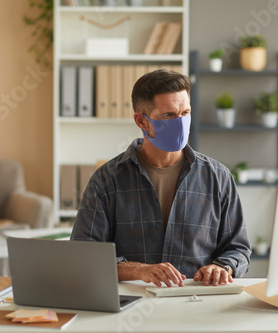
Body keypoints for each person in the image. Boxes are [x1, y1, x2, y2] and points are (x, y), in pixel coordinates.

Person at [71, 69, 251, 287]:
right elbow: (85, 255)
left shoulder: (218, 177)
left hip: (196, 302)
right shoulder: (107, 180)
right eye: (168, 115)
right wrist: (139, 270)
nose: (181, 122)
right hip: (132, 303)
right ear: (141, 121)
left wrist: (222, 267)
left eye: (185, 112)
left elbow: (238, 248)